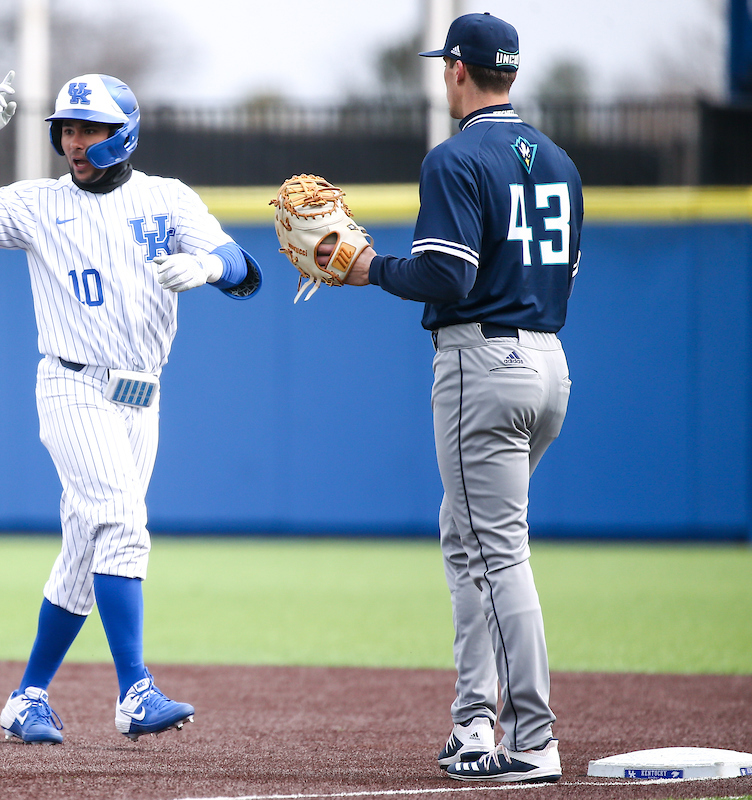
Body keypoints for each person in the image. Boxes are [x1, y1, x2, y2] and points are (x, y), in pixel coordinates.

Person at [0, 71, 261, 744]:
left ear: (125, 135)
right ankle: (134, 690)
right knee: (121, 521)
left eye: (90, 130)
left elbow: (243, 268)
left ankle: (27, 698)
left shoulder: (167, 199)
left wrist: (207, 269)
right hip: (72, 383)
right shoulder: (38, 202)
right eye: (68, 129)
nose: (75, 142)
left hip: (142, 394)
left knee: (87, 550)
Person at [324, 12, 582, 784]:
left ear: (459, 71)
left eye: (446, 65)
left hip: (482, 363)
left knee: (496, 550)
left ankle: (532, 739)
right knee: (470, 539)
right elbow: (563, 275)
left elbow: (446, 276)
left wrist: (368, 265)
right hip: (549, 363)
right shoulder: (561, 162)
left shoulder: (455, 158)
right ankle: (474, 723)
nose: (444, 75)